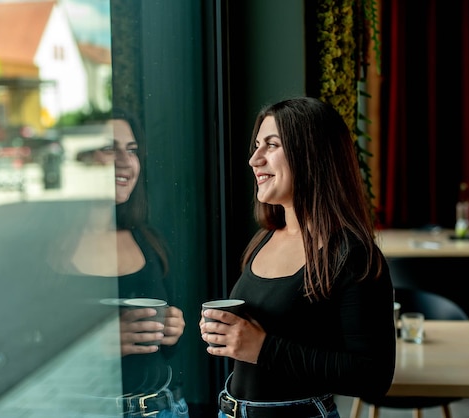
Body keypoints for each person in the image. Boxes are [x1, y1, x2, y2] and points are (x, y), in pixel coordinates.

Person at [200, 97, 396, 417]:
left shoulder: (353, 255)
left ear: (311, 154)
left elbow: (374, 376)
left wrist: (263, 349)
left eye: (271, 145)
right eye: (256, 146)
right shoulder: (264, 238)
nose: (254, 159)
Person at [71, 110, 189, 417]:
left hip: (160, 409)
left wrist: (173, 329)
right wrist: (94, 349)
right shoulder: (44, 248)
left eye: (132, 150)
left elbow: (166, 346)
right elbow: (16, 345)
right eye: (110, 148)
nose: (125, 161)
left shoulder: (149, 240)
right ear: (79, 157)